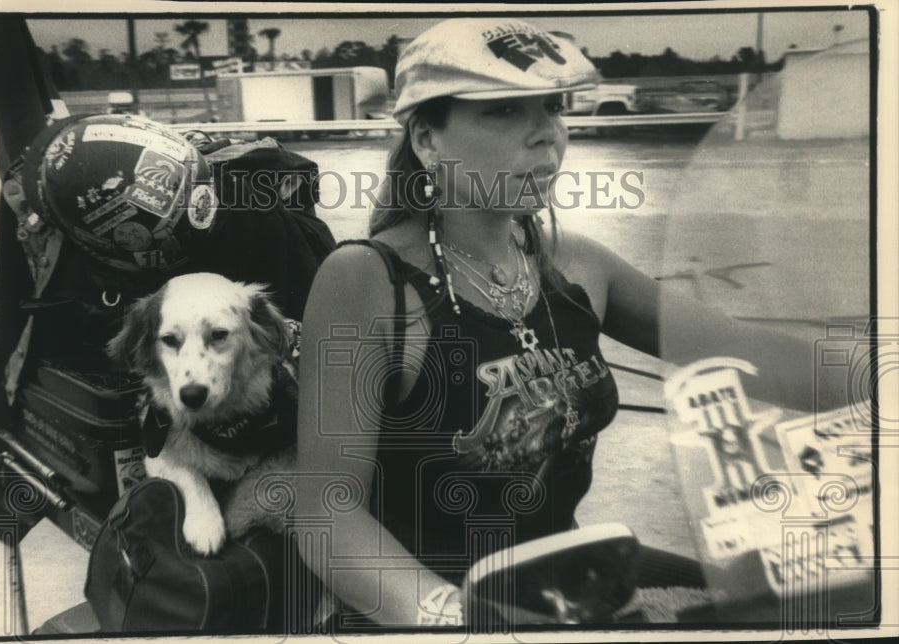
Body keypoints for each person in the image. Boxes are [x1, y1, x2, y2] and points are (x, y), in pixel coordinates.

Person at [293, 17, 852, 629]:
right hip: (424, 605)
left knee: (789, 607)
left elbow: (744, 352)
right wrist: (454, 618)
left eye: (552, 107)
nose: (546, 135)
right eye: (505, 111)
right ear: (428, 138)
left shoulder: (575, 265)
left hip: (565, 581)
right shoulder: (367, 282)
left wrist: (872, 378)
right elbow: (327, 517)